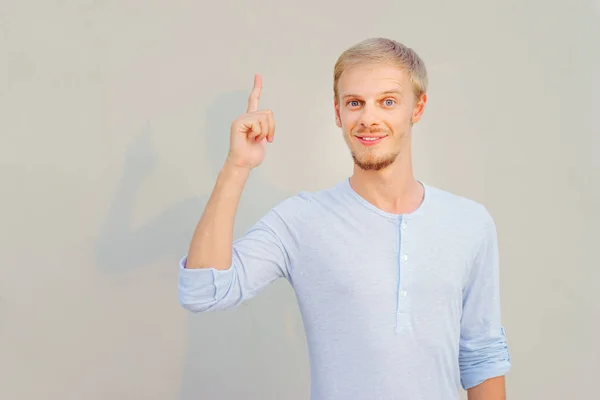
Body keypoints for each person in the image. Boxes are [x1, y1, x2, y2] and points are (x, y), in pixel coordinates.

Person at [178, 37, 511, 400]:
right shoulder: (301, 221)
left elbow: (483, 355)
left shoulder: (470, 223)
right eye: (355, 103)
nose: (369, 118)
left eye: (387, 101)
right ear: (338, 113)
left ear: (417, 108)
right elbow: (202, 291)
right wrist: (237, 165)